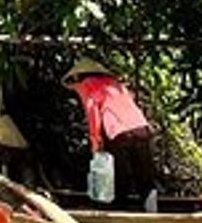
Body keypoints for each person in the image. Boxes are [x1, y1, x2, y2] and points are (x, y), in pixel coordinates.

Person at [64, 58, 156, 209]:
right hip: (141, 127)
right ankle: (151, 208)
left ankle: (119, 210)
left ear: (78, 77)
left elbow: (92, 112)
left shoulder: (87, 85)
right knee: (144, 173)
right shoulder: (116, 84)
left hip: (117, 130)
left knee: (120, 174)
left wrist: (95, 142)